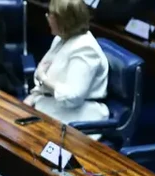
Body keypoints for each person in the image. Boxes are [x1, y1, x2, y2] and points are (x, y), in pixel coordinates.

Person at [24, 0, 110, 129]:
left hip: (75, 118)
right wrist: (34, 96)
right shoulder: (61, 38)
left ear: (63, 19)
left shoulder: (85, 49)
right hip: (49, 108)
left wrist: (43, 78)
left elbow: (72, 97)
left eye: (50, 14)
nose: (47, 17)